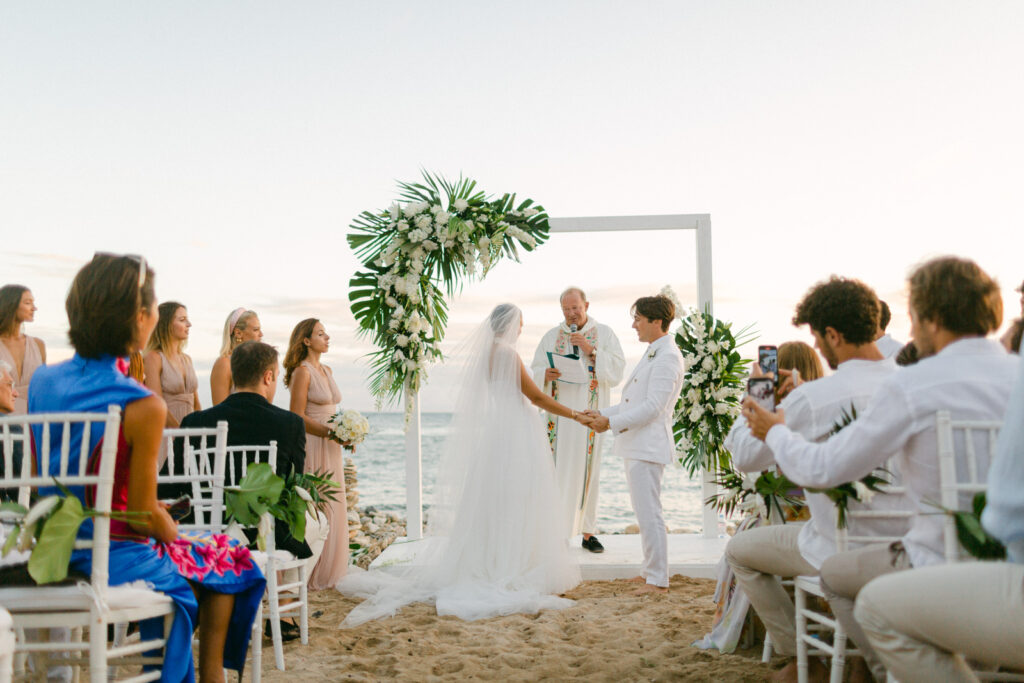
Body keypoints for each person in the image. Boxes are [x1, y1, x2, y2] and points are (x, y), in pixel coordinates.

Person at [744, 256, 1018, 682]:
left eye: (914, 317)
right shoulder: (1016, 374)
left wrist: (776, 432)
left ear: (932, 318)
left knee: (836, 577)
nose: (910, 331)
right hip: (1008, 565)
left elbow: (825, 468)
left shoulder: (913, 385)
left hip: (937, 562)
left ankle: (884, 671)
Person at [28, 253, 265, 682]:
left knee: (204, 553)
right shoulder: (140, 403)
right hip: (111, 557)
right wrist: (170, 527)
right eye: (154, 308)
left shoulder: (43, 381)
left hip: (51, 548)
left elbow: (50, 475)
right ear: (139, 319)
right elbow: (139, 516)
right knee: (228, 559)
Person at [338, 304, 584, 625]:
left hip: (499, 430)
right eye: (520, 324)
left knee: (495, 498)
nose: (521, 330)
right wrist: (576, 415)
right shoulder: (508, 355)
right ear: (509, 326)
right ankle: (515, 564)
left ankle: (494, 557)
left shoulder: (487, 355)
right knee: (520, 496)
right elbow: (535, 398)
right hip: (517, 430)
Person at [723, 277, 909, 682]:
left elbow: (747, 457)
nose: (819, 348)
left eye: (818, 338)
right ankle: (852, 655)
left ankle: (802, 655)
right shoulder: (908, 383)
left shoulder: (813, 399)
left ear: (833, 334)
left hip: (836, 548)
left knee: (739, 550)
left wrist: (760, 394)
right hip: (907, 544)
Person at [853, 340, 1024, 681]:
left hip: (957, 561)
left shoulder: (913, 403)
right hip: (968, 561)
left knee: (874, 607)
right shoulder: (1006, 383)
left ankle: (880, 669)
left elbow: (1004, 519)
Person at [179, 340, 323, 641]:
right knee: (320, 524)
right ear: (269, 377)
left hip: (204, 531)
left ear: (234, 373)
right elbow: (292, 484)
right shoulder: (289, 424)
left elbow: (173, 484)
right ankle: (278, 608)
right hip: (262, 532)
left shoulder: (194, 422)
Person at [586, 295, 686, 595]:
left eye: (639, 319)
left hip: (649, 445)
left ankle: (657, 578)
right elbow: (634, 401)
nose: (634, 325)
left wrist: (610, 424)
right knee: (643, 512)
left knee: (650, 512)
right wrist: (601, 414)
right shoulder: (654, 352)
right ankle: (649, 571)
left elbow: (654, 407)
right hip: (638, 444)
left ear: (657, 321)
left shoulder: (668, 356)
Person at [530, 287, 625, 553]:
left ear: (586, 306)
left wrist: (592, 351)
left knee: (589, 472)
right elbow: (535, 369)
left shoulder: (604, 334)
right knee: (555, 470)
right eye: (566, 309)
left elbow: (617, 371)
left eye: (576, 308)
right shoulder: (552, 336)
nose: (571, 314)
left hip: (589, 414)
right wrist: (545, 375)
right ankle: (556, 532)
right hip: (559, 418)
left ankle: (588, 533)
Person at [282, 318, 349, 590]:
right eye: (321, 334)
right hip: (313, 443)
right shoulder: (303, 372)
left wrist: (347, 433)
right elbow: (295, 416)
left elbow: (334, 411)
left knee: (334, 504)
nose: (327, 337)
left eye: (327, 332)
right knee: (317, 504)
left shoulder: (328, 370)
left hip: (332, 445)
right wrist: (328, 433)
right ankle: (311, 569)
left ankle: (332, 567)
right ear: (306, 340)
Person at [143, 301, 200, 427]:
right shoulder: (153, 358)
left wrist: (199, 433)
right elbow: (157, 404)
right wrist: (180, 434)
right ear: (166, 324)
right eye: (182, 319)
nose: (189, 324)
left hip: (190, 435)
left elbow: (196, 404)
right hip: (167, 433)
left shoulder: (187, 359)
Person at [0, 285, 46, 415]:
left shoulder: (38, 345)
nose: (34, 308)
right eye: (27, 303)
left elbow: (42, 385)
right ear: (11, 305)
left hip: (34, 416)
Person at [210, 308, 262, 405]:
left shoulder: (257, 364)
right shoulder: (224, 364)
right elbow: (219, 411)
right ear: (238, 333)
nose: (261, 334)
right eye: (256, 330)